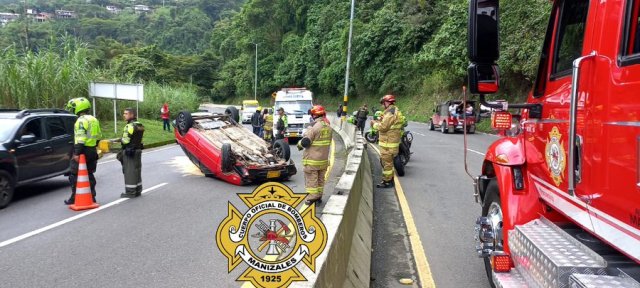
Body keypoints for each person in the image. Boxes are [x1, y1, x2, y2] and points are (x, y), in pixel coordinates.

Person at [65, 97, 102, 205]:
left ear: (78, 108)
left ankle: (74, 197)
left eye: (73, 108)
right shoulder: (94, 119)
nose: (72, 110)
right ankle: (92, 197)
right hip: (92, 150)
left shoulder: (81, 121)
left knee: (74, 174)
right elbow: (98, 136)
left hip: (82, 151)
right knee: (89, 174)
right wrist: (93, 146)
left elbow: (80, 138)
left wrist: (77, 153)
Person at [297, 105, 332, 205]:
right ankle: (319, 197)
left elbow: (305, 142)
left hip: (312, 160)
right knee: (321, 180)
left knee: (312, 180)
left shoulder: (314, 128)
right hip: (324, 160)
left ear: (314, 115)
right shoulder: (328, 127)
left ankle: (312, 198)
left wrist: (299, 144)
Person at [371, 94, 404, 188]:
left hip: (388, 144)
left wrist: (374, 124)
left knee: (387, 164)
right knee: (388, 163)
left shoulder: (390, 113)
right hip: (391, 143)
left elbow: (383, 127)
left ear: (387, 103)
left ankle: (387, 182)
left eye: (383, 103)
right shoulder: (394, 111)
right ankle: (389, 180)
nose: (382, 105)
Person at [118, 108, 145, 198]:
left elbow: (125, 141)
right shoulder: (140, 125)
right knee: (137, 171)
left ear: (132, 115)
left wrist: (120, 140)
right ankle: (138, 190)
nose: (124, 115)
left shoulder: (129, 126)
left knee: (130, 172)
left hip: (130, 152)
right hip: (138, 150)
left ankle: (130, 192)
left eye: (126, 114)